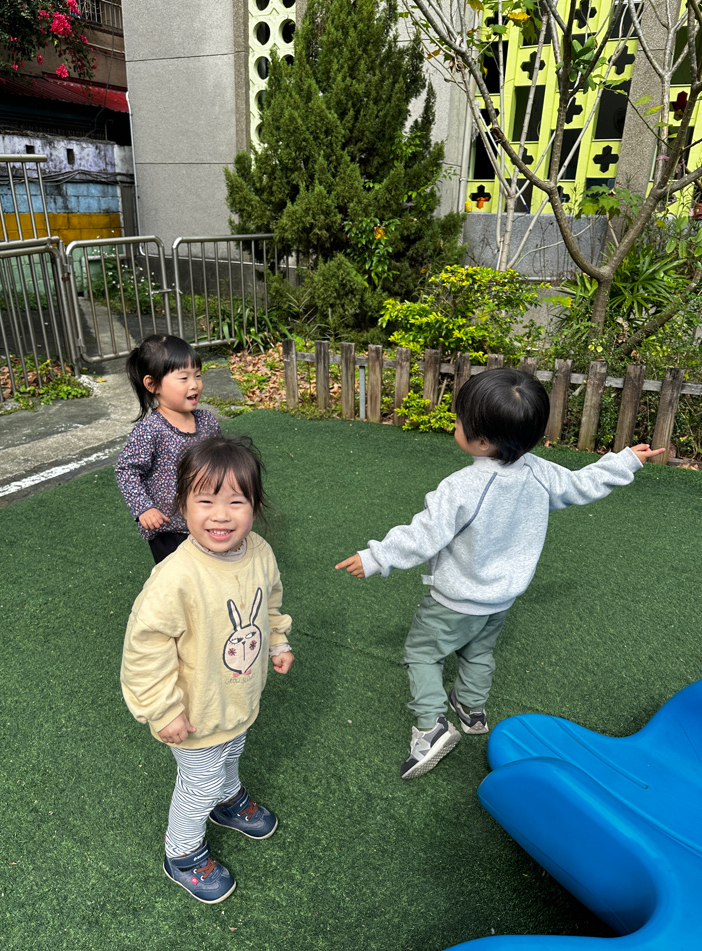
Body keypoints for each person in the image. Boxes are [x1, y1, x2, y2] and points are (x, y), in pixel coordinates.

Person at [336, 367, 664, 781]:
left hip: (454, 600)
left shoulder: (462, 486)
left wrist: (376, 557)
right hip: (501, 600)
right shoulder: (538, 471)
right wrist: (626, 461)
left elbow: (423, 535)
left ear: (483, 441)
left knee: (422, 654)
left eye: (460, 421)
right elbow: (582, 484)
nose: (455, 425)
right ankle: (471, 709)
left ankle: (431, 726)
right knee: (478, 651)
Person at [121, 434, 294, 904]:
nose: (221, 515)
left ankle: (227, 799)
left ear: (255, 506)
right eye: (205, 501)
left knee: (233, 748)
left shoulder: (259, 551)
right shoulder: (176, 577)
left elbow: (269, 603)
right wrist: (163, 710)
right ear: (182, 505)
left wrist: (278, 640)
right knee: (198, 781)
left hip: (235, 696)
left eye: (236, 501)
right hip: (194, 712)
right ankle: (182, 852)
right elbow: (145, 650)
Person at [115, 334, 221, 564]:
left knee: (212, 574)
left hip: (207, 520)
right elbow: (127, 470)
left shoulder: (207, 421)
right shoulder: (151, 429)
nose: (194, 384)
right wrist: (144, 508)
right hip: (169, 529)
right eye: (183, 378)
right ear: (152, 385)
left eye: (198, 375)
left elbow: (224, 463)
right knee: (177, 579)